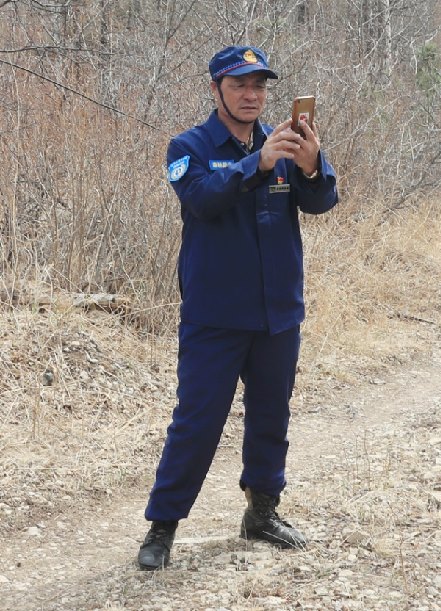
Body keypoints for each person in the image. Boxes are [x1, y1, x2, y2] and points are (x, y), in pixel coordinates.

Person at [136, 45, 338, 571]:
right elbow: (201, 200)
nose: (252, 95)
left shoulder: (286, 143)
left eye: (259, 86)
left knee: (271, 416)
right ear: (216, 90)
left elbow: (321, 203)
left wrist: (311, 167)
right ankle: (162, 526)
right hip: (216, 315)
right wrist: (258, 162)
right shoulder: (189, 146)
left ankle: (262, 513)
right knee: (197, 421)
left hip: (277, 313)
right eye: (239, 85)